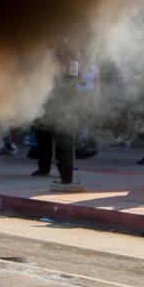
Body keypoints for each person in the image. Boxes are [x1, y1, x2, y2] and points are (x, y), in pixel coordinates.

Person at [32, 45, 82, 192]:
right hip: (47, 98)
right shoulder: (50, 52)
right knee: (42, 134)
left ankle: (63, 170)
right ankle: (44, 167)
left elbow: (73, 75)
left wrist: (57, 64)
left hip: (64, 101)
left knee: (62, 138)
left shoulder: (74, 55)